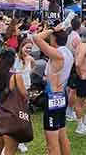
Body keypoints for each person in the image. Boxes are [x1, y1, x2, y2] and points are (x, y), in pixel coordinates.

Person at [33, 21, 74, 155]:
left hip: (53, 99)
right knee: (62, 136)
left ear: (54, 39)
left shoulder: (58, 54)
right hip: (62, 95)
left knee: (52, 145)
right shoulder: (68, 53)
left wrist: (51, 29)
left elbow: (36, 38)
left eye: (51, 38)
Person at [0, 50, 30, 155]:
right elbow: (24, 96)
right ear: (13, 61)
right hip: (11, 117)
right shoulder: (16, 77)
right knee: (10, 151)